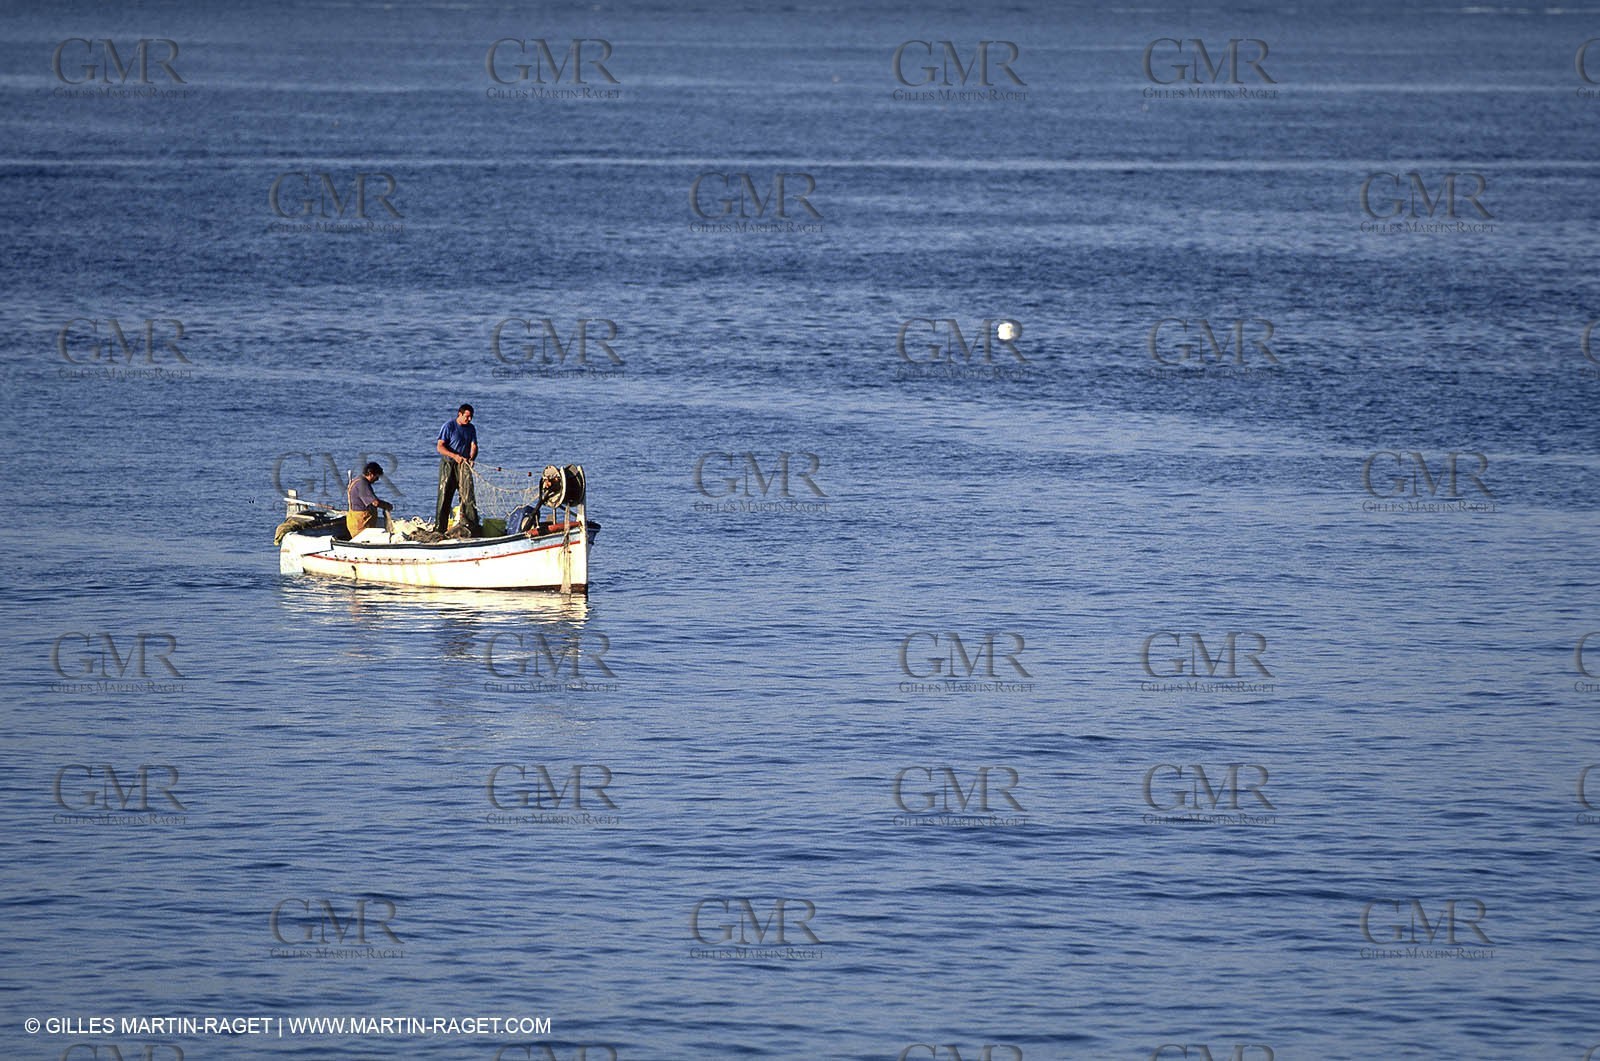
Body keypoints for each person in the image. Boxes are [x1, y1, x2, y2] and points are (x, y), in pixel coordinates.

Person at [434, 403, 481, 536]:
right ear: (459, 414)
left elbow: (474, 445)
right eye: (467, 416)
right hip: (449, 465)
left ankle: (471, 526)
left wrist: (472, 458)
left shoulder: (471, 428)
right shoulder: (449, 426)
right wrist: (455, 456)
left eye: (471, 417)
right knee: (445, 496)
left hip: (464, 465)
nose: (469, 419)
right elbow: (440, 447)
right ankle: (440, 529)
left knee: (468, 496)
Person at [346, 461, 393, 537]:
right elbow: (375, 502)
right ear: (371, 474)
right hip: (361, 523)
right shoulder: (362, 484)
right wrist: (387, 505)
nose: (377, 479)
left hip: (355, 519)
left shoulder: (357, 480)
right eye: (377, 476)